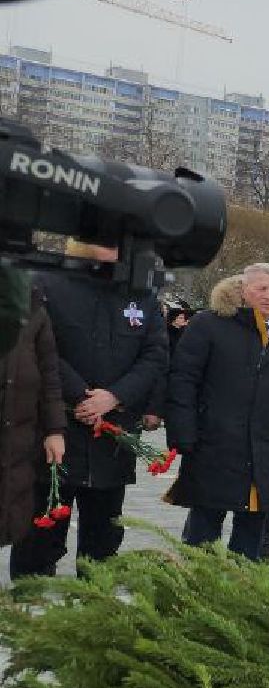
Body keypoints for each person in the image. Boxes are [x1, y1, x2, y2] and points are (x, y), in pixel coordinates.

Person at [10, 242, 168, 577]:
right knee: (40, 534)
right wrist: (82, 396)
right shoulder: (46, 282)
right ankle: (29, 609)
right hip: (57, 430)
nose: (114, 245)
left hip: (113, 437)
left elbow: (154, 355)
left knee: (104, 540)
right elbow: (39, 346)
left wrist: (114, 397)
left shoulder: (142, 293)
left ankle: (94, 612)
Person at [166, 264, 269, 559]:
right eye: (261, 288)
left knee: (252, 538)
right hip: (214, 446)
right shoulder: (209, 324)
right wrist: (183, 432)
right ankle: (194, 590)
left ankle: (242, 592)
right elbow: (183, 379)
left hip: (267, 451)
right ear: (243, 290)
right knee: (202, 534)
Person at [0, 287, 65, 548]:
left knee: (10, 513)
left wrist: (55, 430)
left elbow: (49, 375)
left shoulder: (33, 308)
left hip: (17, 437)